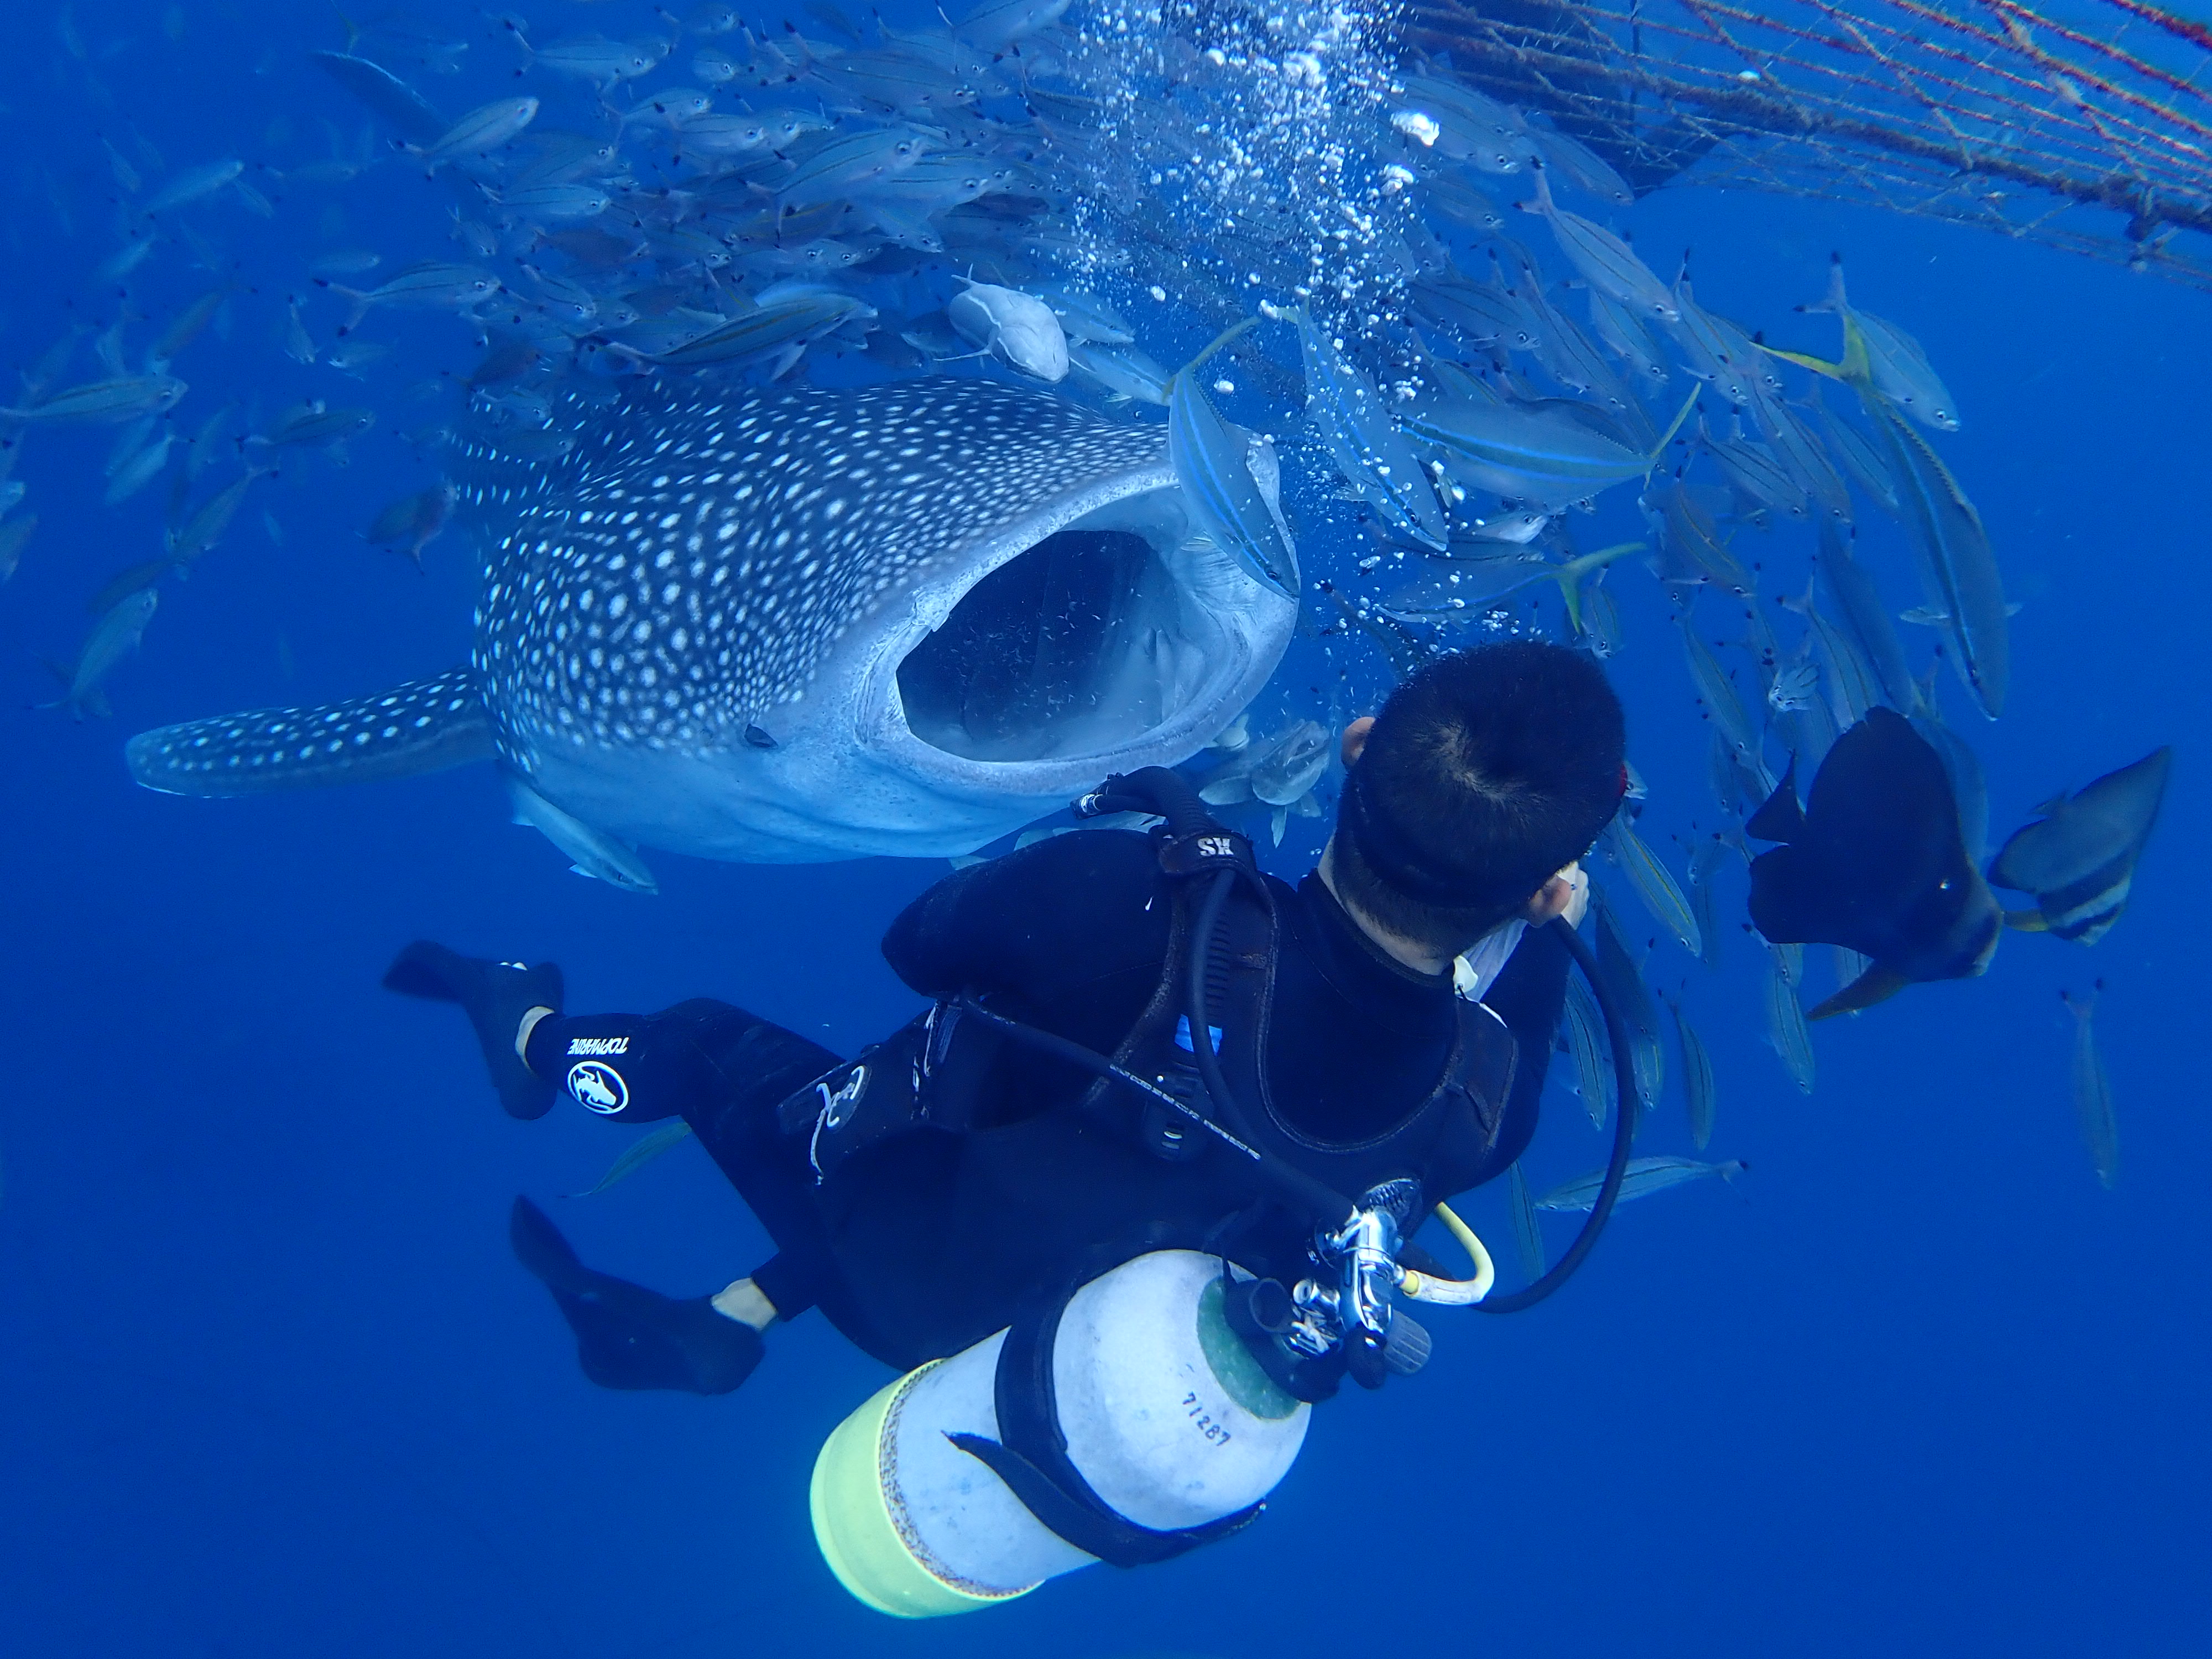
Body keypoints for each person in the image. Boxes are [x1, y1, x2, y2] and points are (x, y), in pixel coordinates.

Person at [385, 639, 1627, 1397]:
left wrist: (1125, 851)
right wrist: (1552, 939)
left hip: (900, 1237)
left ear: (1355, 747)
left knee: (717, 1046)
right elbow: (1515, 1013)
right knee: (1096, 1155)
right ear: (1538, 889)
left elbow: (914, 946)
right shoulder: (1481, 1109)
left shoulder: (1135, 905)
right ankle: (725, 1326)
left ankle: (533, 1045)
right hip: (1044, 1349)